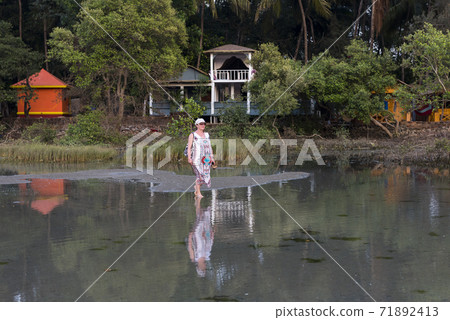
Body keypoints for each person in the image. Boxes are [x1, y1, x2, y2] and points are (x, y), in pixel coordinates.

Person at [187, 118, 215, 198]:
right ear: (197, 125)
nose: (203, 125)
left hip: (206, 159)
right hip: (196, 158)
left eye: (204, 124)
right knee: (199, 175)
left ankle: (196, 187)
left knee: (205, 175)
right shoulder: (193, 135)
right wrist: (189, 158)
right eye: (201, 124)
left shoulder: (206, 135)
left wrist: (212, 157)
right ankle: (198, 193)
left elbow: (209, 147)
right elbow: (189, 147)